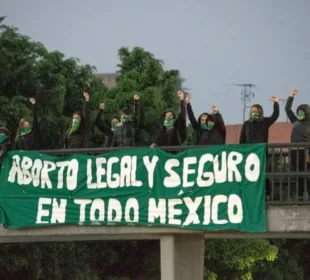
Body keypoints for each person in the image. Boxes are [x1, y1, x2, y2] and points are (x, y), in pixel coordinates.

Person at [239, 96, 279, 201]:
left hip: (261, 154)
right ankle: (250, 193)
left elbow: (275, 116)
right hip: (249, 154)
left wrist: (276, 104)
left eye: (256, 111)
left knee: (263, 174)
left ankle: (266, 194)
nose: (254, 113)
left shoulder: (264, 122)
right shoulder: (246, 124)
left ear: (260, 112)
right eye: (252, 111)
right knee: (250, 175)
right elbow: (241, 140)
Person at [285, 89, 310, 193]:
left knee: (307, 177)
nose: (300, 114)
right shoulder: (295, 121)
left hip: (306, 153)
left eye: (302, 112)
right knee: (298, 176)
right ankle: (299, 198)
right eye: (298, 112)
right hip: (295, 153)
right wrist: (291, 96)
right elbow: (287, 109)